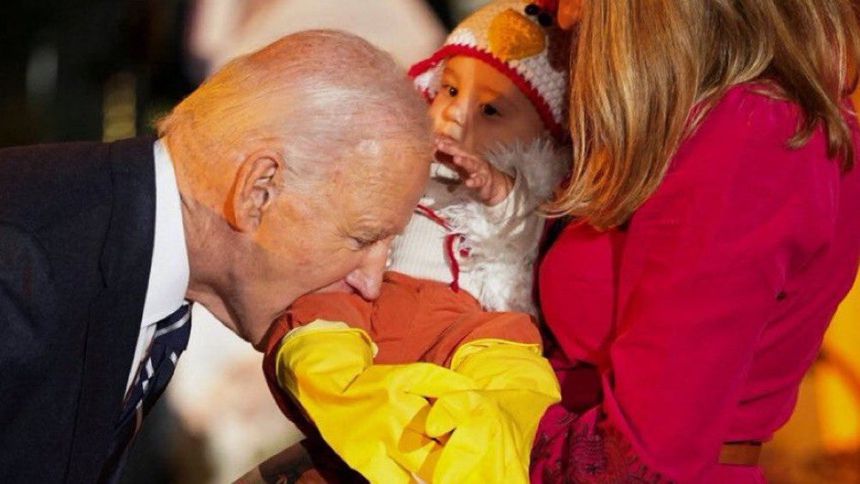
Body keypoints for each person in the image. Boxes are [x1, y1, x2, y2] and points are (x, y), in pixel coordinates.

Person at [0, 30, 432, 483]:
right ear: (259, 191)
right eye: (363, 238)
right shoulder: (20, 263)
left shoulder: (144, 266)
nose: (371, 282)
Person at [531, 1, 860, 482]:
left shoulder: (753, 133)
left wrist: (479, 413)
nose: (559, 16)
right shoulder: (732, 119)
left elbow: (643, 460)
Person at [260, 1, 571, 482]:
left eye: (490, 110)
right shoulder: (407, 160)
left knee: (521, 379)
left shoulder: (531, 193)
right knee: (310, 339)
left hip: (467, 328)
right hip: (371, 302)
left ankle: (473, 453)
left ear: (542, 140)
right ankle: (396, 424)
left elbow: (524, 239)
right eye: (451, 90)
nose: (456, 116)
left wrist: (498, 190)